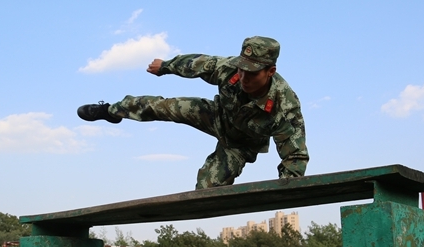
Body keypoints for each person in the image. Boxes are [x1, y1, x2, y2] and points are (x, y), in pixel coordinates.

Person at [77, 36, 309, 189]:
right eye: (242, 70)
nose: (244, 78)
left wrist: (286, 188)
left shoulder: (285, 105)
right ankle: (111, 110)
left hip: (240, 145)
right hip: (216, 115)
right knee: (164, 107)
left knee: (207, 189)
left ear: (270, 71)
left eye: (253, 73)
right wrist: (165, 66)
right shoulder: (228, 69)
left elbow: (294, 155)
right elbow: (197, 64)